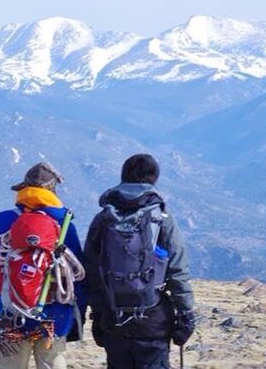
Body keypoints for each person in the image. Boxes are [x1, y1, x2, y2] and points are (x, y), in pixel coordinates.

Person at [84, 154, 196, 369]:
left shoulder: (103, 219)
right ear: (154, 179)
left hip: (113, 319)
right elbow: (177, 269)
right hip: (153, 321)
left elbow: (91, 270)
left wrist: (97, 315)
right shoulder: (160, 218)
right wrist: (185, 314)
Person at [0, 162, 86, 369]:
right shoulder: (64, 224)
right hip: (54, 317)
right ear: (53, 192)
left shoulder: (3, 221)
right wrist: (75, 318)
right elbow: (77, 278)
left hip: (9, 313)